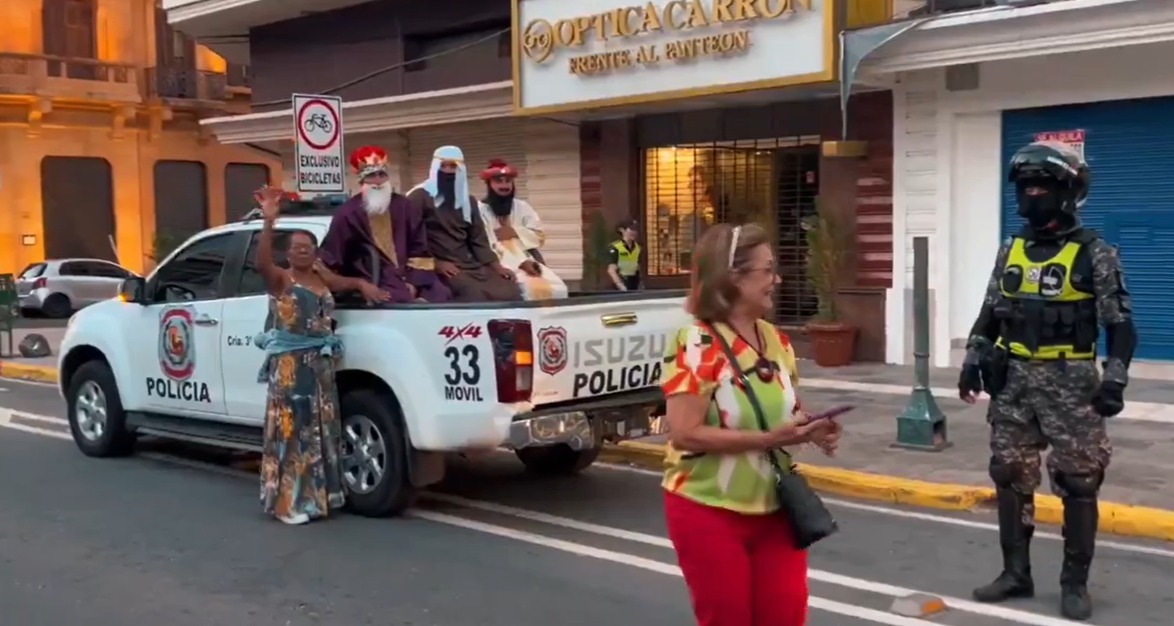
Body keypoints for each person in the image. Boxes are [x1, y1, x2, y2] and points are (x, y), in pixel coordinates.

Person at [959, 141, 1136, 621]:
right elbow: (990, 312)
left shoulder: (1095, 253)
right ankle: (1016, 572)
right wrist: (973, 357)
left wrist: (1115, 379)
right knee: (1009, 477)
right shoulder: (1010, 249)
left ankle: (1074, 583)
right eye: (1024, 188)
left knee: (1079, 482)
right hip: (1013, 383)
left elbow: (1121, 326)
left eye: (1041, 187)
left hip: (1071, 384)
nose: (1031, 195)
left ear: (1067, 193)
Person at [661, 223, 842, 626]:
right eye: (768, 270)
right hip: (707, 508)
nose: (777, 279)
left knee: (786, 615)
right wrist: (765, 438)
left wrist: (811, 429)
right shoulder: (697, 344)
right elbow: (685, 432)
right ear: (734, 278)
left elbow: (786, 413)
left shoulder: (777, 341)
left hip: (775, 507)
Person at [251, 185, 390, 525]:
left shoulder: (319, 275)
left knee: (321, 431)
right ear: (288, 254)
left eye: (308, 247)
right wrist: (269, 222)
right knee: (294, 433)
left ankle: (319, 498)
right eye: (297, 248)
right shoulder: (281, 279)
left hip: (321, 367)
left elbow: (342, 283)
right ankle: (288, 504)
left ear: (315, 253)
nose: (302, 252)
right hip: (292, 368)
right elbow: (260, 263)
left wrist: (360, 284)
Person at [318, 145, 451, 303]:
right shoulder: (347, 213)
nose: (378, 181)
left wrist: (413, 282)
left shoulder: (405, 206)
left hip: (412, 275)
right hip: (374, 278)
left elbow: (419, 248)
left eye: (382, 175)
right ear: (362, 180)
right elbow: (332, 256)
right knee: (396, 297)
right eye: (372, 175)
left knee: (442, 293)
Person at [406, 146, 520, 302]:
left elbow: (478, 239)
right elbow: (410, 240)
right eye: (443, 166)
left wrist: (497, 267)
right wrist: (436, 264)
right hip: (436, 266)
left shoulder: (468, 200)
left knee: (509, 290)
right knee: (473, 294)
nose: (447, 171)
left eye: (453, 166)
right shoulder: (419, 197)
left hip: (469, 264)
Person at [476, 158, 568, 300]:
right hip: (496, 261)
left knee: (558, 289)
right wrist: (519, 263)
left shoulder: (522, 207)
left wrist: (514, 232)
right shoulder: (479, 210)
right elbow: (483, 243)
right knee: (526, 290)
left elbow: (539, 235)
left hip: (526, 256)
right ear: (489, 184)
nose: (504, 185)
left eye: (508, 181)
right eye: (498, 181)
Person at [607, 220, 641, 291]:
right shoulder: (615, 247)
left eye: (635, 230)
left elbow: (637, 266)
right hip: (621, 283)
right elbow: (611, 270)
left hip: (634, 283)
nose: (634, 232)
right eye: (631, 229)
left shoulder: (638, 248)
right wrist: (620, 285)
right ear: (622, 230)